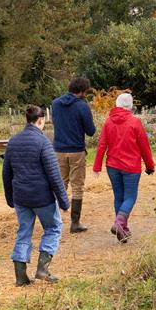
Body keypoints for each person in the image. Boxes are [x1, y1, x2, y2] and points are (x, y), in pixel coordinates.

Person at [3, 105, 70, 286]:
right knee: (53, 228)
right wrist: (64, 201)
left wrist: (10, 198)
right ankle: (42, 268)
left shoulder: (13, 141)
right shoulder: (43, 142)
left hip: (21, 197)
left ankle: (20, 275)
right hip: (42, 197)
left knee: (24, 232)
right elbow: (54, 174)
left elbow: (6, 173)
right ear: (41, 120)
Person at [92, 93, 155, 243]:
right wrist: (150, 166)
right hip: (131, 166)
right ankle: (119, 223)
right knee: (130, 197)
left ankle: (122, 230)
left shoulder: (108, 122)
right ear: (130, 106)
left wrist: (97, 166)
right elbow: (144, 146)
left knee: (119, 197)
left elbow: (102, 145)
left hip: (112, 166)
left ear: (117, 104)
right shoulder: (135, 122)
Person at [51, 77, 96, 233]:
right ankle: (75, 223)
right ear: (82, 91)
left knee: (60, 185)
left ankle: (53, 221)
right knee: (77, 187)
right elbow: (91, 131)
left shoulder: (55, 104)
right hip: (76, 150)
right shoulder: (82, 106)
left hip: (58, 149)